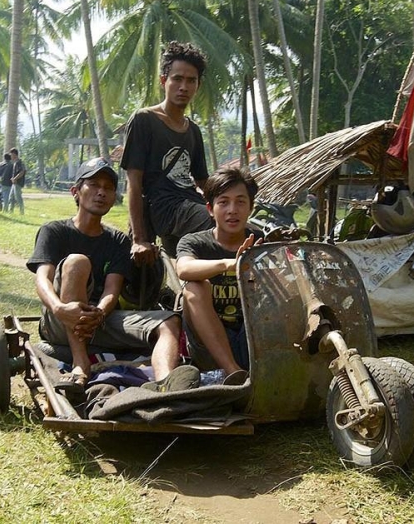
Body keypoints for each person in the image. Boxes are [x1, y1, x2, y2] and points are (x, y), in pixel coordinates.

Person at [27, 157, 192, 391]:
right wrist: (59, 308)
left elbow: (111, 290)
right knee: (77, 262)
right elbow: (42, 278)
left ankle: (165, 386)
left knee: (169, 321)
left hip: (100, 320)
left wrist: (100, 313)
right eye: (94, 185)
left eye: (108, 188)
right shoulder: (54, 231)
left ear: (114, 197)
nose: (101, 192)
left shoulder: (117, 241)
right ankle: (80, 362)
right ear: (76, 192)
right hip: (61, 319)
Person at [121, 41, 213, 263]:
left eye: (191, 81)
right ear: (164, 81)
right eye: (177, 79)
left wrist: (235, 200)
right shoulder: (144, 119)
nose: (184, 87)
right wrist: (139, 239)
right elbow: (133, 182)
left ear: (198, 85)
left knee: (247, 228)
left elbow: (205, 183)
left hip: (191, 205)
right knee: (217, 224)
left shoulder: (193, 130)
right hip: (164, 208)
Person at [175, 168, 261, 385]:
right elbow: (183, 269)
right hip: (207, 347)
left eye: (241, 202)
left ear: (250, 207)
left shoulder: (260, 240)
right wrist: (230, 264)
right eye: (223, 202)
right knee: (194, 288)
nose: (232, 210)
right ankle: (232, 372)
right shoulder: (194, 242)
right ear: (210, 209)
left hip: (250, 341)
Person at [8, 148, 25, 214]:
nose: (11, 156)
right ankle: (10, 211)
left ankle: (22, 211)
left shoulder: (19, 162)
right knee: (11, 197)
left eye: (11, 154)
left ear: (15, 154)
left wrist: (15, 178)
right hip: (14, 183)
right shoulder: (15, 163)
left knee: (18, 198)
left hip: (18, 183)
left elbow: (22, 172)